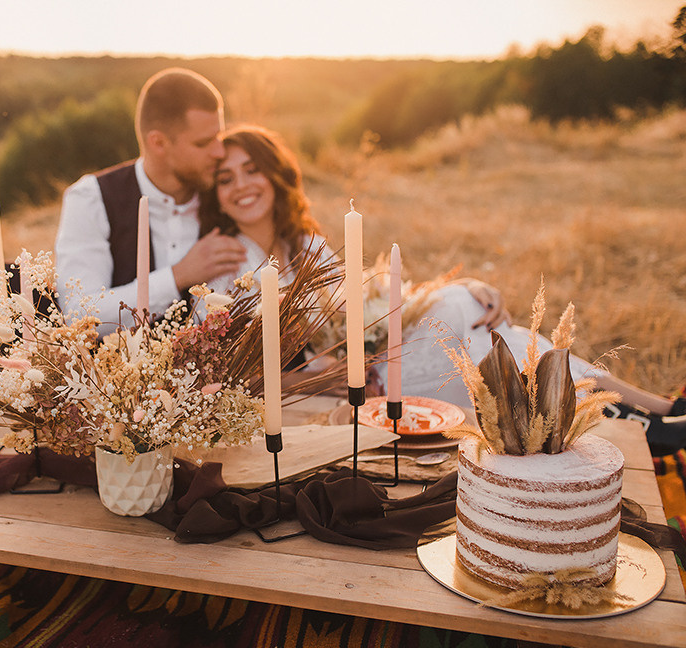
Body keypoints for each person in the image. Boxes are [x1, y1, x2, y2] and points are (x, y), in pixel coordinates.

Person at [197, 125, 686, 452]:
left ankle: (657, 414)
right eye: (226, 177)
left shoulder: (306, 244)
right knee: (487, 345)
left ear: (275, 175)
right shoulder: (225, 261)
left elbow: (363, 307)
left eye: (252, 169)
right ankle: (648, 419)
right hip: (346, 389)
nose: (242, 185)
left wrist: (469, 283)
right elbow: (230, 369)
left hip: (375, 357)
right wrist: (323, 374)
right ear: (215, 193)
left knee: (474, 314)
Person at [55, 67, 248, 334]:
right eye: (203, 143)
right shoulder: (91, 198)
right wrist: (178, 275)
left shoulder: (228, 193)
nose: (219, 151)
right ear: (158, 143)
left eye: (219, 137)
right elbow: (81, 315)